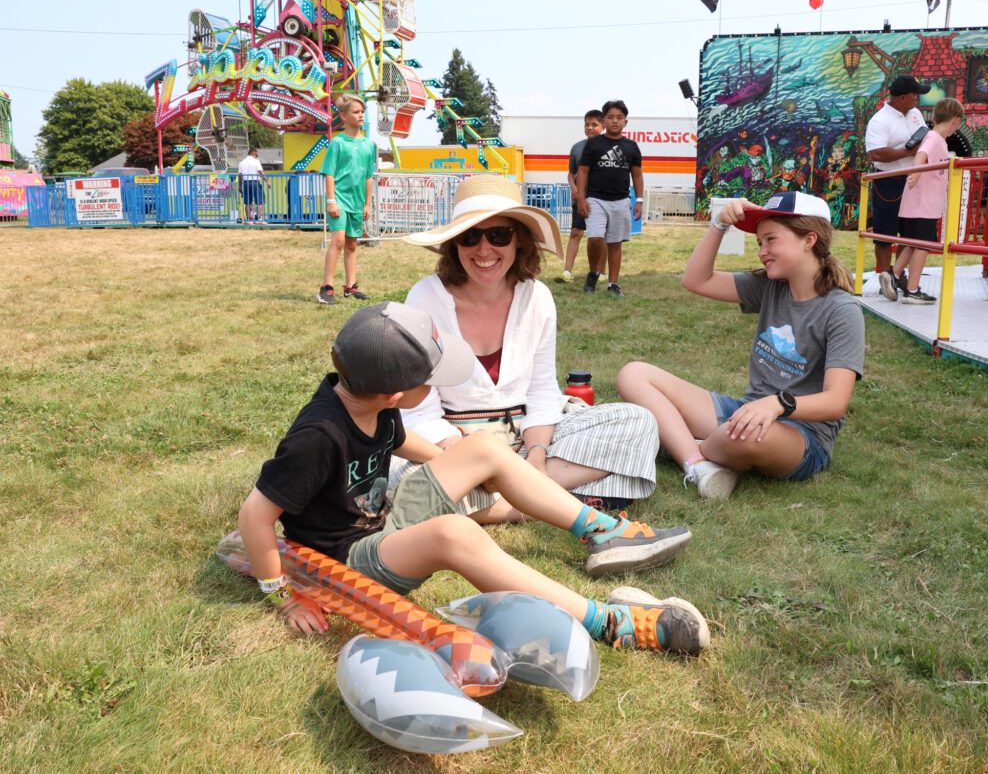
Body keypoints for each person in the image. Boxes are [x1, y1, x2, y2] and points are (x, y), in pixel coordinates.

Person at [236, 302, 707, 655]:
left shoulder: (368, 400)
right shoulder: (316, 437)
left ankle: (604, 533)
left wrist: (454, 454)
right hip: (349, 560)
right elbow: (256, 516)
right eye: (432, 377)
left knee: (482, 447)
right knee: (455, 533)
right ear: (397, 392)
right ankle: (607, 622)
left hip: (383, 519)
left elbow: (396, 441)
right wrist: (284, 598)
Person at [394, 174, 662, 520]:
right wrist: (470, 457)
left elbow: (541, 390)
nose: (484, 249)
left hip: (526, 435)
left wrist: (535, 454)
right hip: (454, 442)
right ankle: (544, 501)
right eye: (470, 236)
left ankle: (513, 499)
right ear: (454, 244)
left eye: (499, 235)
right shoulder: (425, 297)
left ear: (519, 240)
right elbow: (419, 411)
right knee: (401, 477)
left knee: (637, 422)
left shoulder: (537, 297)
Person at [617, 192, 865, 500]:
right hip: (745, 413)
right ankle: (698, 464)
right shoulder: (769, 286)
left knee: (742, 438)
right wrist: (719, 224)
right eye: (760, 243)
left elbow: (835, 401)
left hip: (801, 435)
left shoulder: (842, 310)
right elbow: (696, 280)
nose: (762, 251)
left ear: (809, 239)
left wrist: (778, 404)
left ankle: (679, 442)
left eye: (771, 240)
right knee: (634, 374)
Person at [880, 98, 965, 305]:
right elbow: (921, 155)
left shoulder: (935, 138)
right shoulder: (934, 139)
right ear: (956, 121)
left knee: (912, 243)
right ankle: (912, 290)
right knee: (923, 245)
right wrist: (917, 172)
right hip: (923, 205)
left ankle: (893, 274)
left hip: (917, 203)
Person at [865, 74, 928, 284]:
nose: (917, 99)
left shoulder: (914, 113)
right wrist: (908, 153)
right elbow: (876, 153)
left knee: (908, 230)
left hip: (913, 178)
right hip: (889, 180)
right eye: (915, 95)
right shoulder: (879, 120)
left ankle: (898, 274)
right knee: (885, 232)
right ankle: (885, 275)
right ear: (902, 98)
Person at [576, 100, 644, 297]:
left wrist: (639, 200)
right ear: (604, 121)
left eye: (619, 118)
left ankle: (613, 284)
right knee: (596, 239)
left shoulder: (631, 146)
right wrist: (581, 198)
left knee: (615, 243)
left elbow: (637, 175)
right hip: (595, 199)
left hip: (621, 200)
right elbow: (583, 172)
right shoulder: (594, 143)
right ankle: (593, 273)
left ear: (625, 121)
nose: (615, 121)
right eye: (610, 117)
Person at [318, 94, 377, 305]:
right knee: (339, 241)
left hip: (357, 201)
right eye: (355, 112)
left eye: (362, 112)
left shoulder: (369, 145)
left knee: (352, 244)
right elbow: (329, 173)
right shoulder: (337, 143)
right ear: (343, 116)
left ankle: (350, 287)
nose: (360, 115)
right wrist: (331, 200)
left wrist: (368, 204)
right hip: (340, 200)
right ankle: (326, 287)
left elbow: (369, 176)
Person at [556, 109, 606, 284]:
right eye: (587, 124)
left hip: (601, 198)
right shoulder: (577, 148)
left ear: (603, 126)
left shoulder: (607, 147)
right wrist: (574, 188)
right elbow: (571, 173)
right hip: (580, 198)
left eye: (594, 124)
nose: (590, 128)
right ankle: (567, 271)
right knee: (576, 232)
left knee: (600, 237)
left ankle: (601, 272)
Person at [237, 148, 269, 224]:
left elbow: (240, 176)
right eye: (256, 155)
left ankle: (248, 220)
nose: (256, 156)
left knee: (247, 202)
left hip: (245, 183)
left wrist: (240, 186)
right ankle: (258, 219)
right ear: (253, 153)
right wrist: (268, 182)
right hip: (255, 182)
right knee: (259, 201)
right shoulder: (256, 161)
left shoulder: (241, 163)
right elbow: (261, 172)